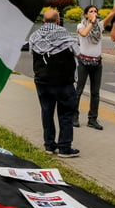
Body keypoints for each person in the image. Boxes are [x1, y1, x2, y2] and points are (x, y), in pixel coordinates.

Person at [29, 9, 80, 157]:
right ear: (58, 21)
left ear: (43, 21)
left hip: (42, 81)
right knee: (66, 114)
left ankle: (49, 145)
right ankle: (64, 148)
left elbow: (33, 53)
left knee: (46, 112)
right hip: (63, 82)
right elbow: (78, 52)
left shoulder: (34, 36)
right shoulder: (65, 35)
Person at [73, 0, 115, 130]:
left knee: (95, 93)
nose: (94, 13)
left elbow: (113, 12)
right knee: (78, 91)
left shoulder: (100, 26)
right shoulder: (81, 25)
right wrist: (92, 22)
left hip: (97, 63)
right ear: (86, 15)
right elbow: (84, 33)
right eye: (91, 11)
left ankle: (92, 119)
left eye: (96, 11)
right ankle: (74, 117)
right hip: (83, 62)